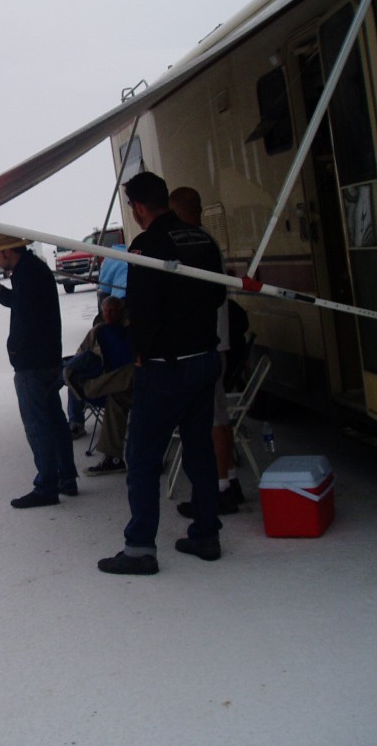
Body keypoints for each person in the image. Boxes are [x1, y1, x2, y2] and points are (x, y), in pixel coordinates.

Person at [98, 172, 226, 576]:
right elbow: (219, 293)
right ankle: (206, 533)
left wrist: (137, 349)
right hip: (205, 361)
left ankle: (139, 550)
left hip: (166, 369)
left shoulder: (146, 246)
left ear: (138, 207)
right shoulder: (202, 239)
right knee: (200, 451)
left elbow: (144, 309)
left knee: (142, 457)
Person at [0, 231, 79, 508]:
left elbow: (25, 313)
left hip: (33, 362)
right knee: (55, 420)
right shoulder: (32, 270)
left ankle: (47, 486)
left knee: (38, 425)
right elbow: (23, 305)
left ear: (8, 251)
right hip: (46, 358)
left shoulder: (28, 273)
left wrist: (16, 350)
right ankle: (66, 478)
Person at [168, 186, 245, 518]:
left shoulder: (193, 244)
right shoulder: (207, 242)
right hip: (219, 343)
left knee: (213, 422)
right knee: (220, 419)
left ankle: (221, 491)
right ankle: (232, 481)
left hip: (209, 345)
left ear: (184, 211)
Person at [63, 296, 133, 475]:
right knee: (75, 375)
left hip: (136, 382)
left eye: (113, 310)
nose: (108, 314)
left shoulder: (129, 331)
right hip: (106, 381)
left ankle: (86, 388)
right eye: (105, 311)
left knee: (130, 372)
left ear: (121, 311)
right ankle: (77, 424)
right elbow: (81, 352)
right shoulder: (97, 332)